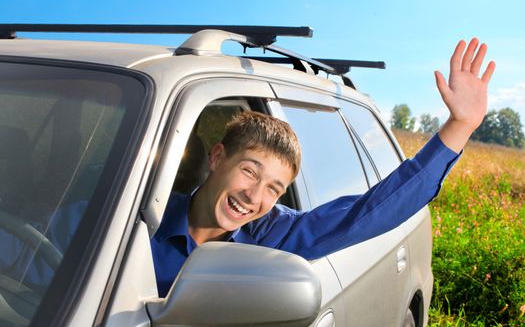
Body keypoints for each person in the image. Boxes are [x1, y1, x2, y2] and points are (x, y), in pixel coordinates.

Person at [151, 38, 496, 297]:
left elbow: (369, 213)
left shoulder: (275, 237)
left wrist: (460, 126)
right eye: (250, 171)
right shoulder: (141, 216)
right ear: (216, 158)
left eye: (274, 188)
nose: (254, 196)